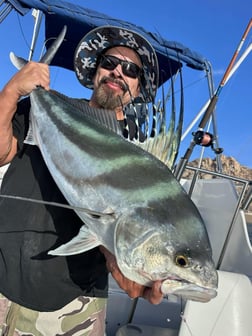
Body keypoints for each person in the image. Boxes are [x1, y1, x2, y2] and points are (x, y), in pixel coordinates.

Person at [0, 25, 163, 335]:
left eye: (130, 69)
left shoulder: (137, 157)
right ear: (95, 72)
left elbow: (112, 224)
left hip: (75, 303)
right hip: (3, 276)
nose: (118, 72)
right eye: (109, 63)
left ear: (138, 88)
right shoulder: (46, 107)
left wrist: (126, 268)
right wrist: (12, 91)